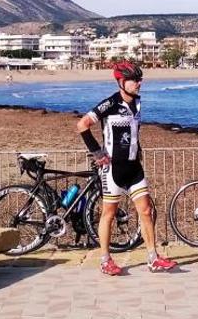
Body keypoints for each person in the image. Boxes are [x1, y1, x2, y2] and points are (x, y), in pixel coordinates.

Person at [76, 61, 177, 276]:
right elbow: (82, 125)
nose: (139, 83)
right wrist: (97, 153)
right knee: (108, 214)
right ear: (122, 82)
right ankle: (105, 260)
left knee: (147, 211)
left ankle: (153, 257)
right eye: (134, 80)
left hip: (134, 167)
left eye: (140, 79)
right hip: (113, 169)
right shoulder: (110, 103)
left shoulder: (138, 103)